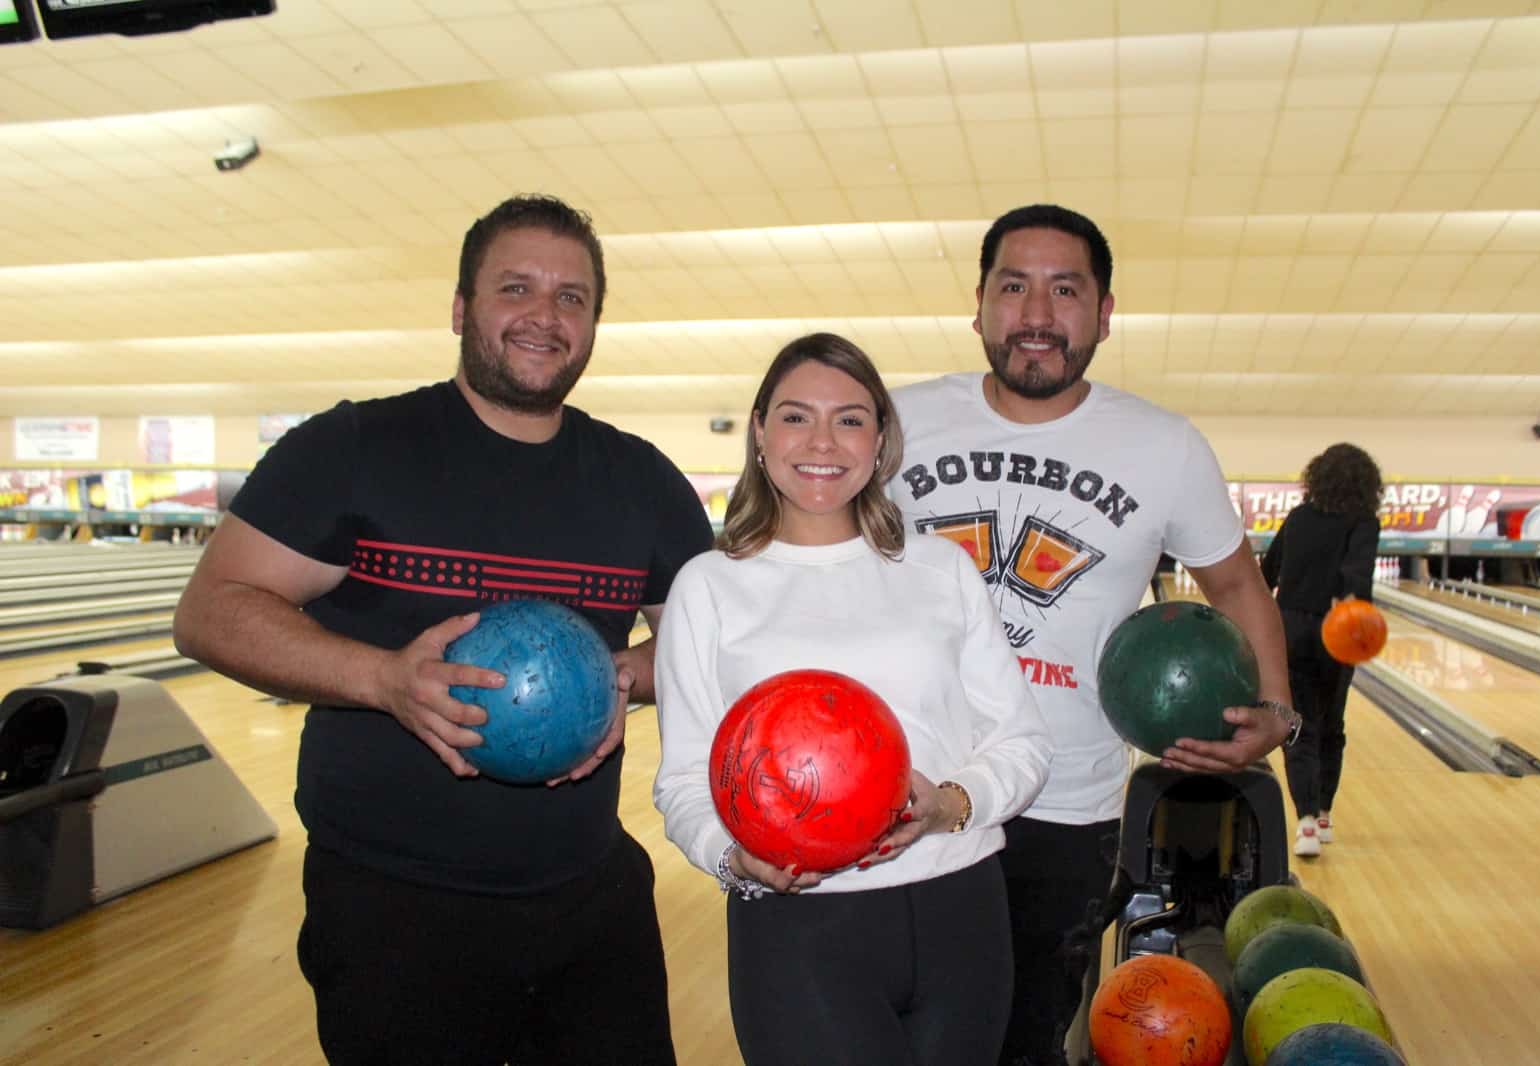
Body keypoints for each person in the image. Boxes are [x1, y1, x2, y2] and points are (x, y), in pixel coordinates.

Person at [172, 194, 711, 1066]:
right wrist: (385, 679)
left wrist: (622, 678)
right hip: (392, 905)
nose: (545, 315)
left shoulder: (642, 479)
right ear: (462, 309)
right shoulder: (352, 446)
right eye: (516, 288)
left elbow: (706, 643)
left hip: (588, 895)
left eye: (572, 297)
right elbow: (209, 612)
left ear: (595, 324)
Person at [887, 204, 1299, 1066]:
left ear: (1105, 312)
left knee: (1025, 1041)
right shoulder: (894, 422)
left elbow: (1234, 584)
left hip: (1062, 810)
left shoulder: (1164, 446)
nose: (1037, 314)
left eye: (1065, 289)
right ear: (979, 305)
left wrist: (1279, 713)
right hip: (900, 788)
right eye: (1014, 286)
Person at [652, 332, 1051, 1066]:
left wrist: (950, 804)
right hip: (798, 930)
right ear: (761, 434)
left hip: (959, 909)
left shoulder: (940, 569)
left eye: (851, 418)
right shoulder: (708, 587)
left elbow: (1022, 742)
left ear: (881, 441)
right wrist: (735, 860)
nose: (823, 442)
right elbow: (683, 781)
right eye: (797, 416)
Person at [1260, 443, 1383, 858]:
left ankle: (1307, 821)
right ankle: (1325, 812)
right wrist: (1350, 605)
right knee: (1333, 723)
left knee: (1300, 725)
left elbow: (1268, 572)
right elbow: (1357, 576)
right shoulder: (1364, 521)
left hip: (1290, 627)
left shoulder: (1298, 517)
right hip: (1338, 630)